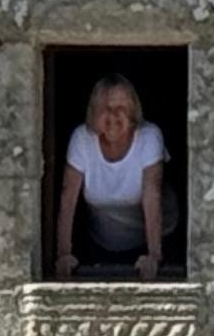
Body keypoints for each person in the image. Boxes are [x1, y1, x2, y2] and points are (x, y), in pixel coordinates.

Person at [55, 74, 170, 279]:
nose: (114, 115)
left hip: (154, 238)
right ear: (94, 113)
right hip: (100, 242)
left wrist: (154, 255)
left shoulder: (149, 136)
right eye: (106, 108)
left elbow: (152, 196)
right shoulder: (82, 139)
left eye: (121, 108)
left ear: (133, 113)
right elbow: (67, 198)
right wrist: (63, 254)